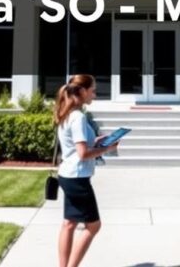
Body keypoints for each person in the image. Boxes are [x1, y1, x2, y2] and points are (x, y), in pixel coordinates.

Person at [54, 74, 118, 267]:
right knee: (93, 225)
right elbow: (82, 154)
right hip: (77, 178)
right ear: (82, 91)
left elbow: (77, 146)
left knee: (69, 223)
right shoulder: (78, 117)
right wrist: (107, 148)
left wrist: (98, 141)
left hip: (67, 175)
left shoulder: (67, 113)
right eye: (92, 91)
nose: (94, 95)